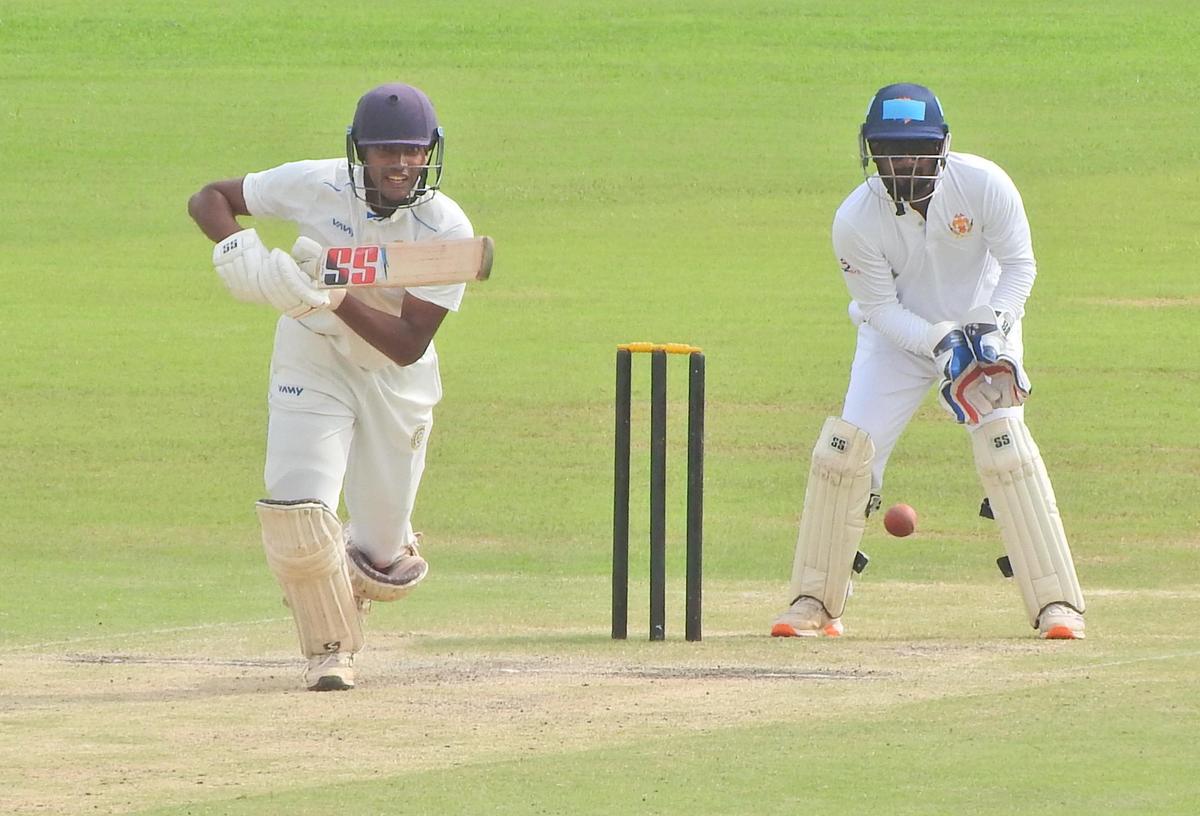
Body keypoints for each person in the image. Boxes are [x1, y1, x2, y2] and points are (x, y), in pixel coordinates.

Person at [771, 83, 1086, 640]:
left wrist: (996, 327)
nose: (905, 161)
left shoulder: (984, 183)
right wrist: (938, 341)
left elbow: (1019, 266)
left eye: (915, 147)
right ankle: (815, 602)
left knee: (1006, 449)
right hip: (899, 340)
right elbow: (878, 309)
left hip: (984, 334)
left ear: (942, 145)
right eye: (891, 149)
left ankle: (1057, 605)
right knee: (848, 452)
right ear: (872, 151)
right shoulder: (856, 219)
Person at [187, 82, 476, 690]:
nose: (400, 163)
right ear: (359, 152)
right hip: (312, 359)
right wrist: (241, 251)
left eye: (412, 150)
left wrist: (333, 294)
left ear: (431, 151)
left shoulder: (446, 227)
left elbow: (407, 344)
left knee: (382, 564)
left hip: (394, 379)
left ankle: (366, 558)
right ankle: (329, 651)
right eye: (384, 150)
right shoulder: (316, 184)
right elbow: (209, 197)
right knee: (296, 512)